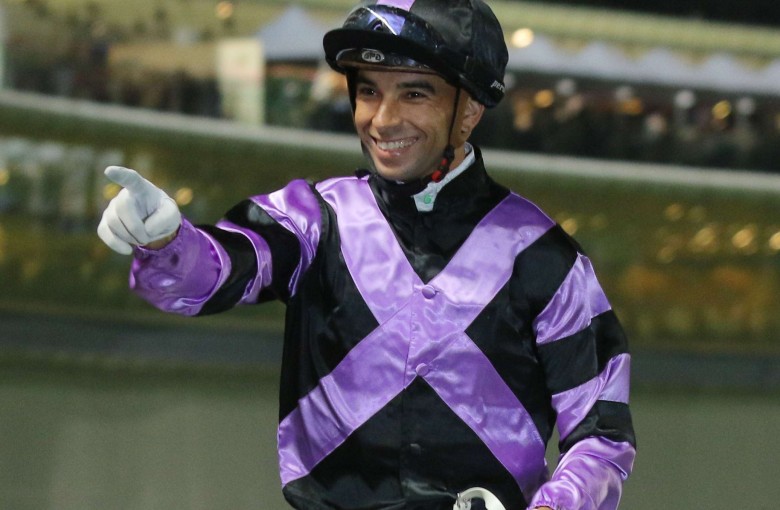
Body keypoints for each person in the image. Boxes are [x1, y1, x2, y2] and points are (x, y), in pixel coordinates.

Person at [97, 1, 636, 509]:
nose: (382, 120)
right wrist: (167, 241)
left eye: (414, 94)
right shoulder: (314, 218)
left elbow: (602, 436)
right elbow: (222, 268)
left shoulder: (546, 257)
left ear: (470, 110)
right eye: (369, 91)